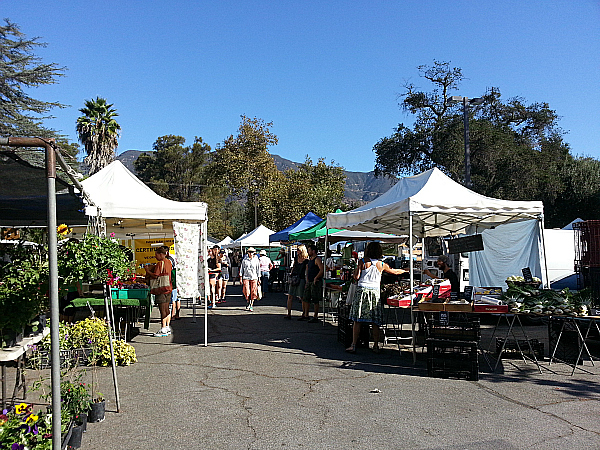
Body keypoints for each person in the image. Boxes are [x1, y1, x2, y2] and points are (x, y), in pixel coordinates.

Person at [346, 242, 406, 354]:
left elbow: (357, 277)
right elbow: (394, 272)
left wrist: (354, 274)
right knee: (375, 321)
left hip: (362, 291)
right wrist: (406, 270)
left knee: (357, 320)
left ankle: (353, 345)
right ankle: (375, 345)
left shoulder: (362, 262)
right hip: (375, 292)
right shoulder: (382, 264)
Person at [145, 246, 173, 337]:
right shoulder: (169, 262)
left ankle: (163, 328)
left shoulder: (160, 263)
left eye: (156, 255)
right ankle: (167, 327)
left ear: (161, 254)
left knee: (162, 309)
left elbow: (155, 275)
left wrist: (147, 271)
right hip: (168, 287)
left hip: (161, 288)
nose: (155, 257)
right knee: (167, 308)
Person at [302, 244, 324, 323]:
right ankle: (306, 314)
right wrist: (307, 279)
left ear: (313, 251)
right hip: (309, 281)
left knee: (315, 299)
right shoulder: (310, 259)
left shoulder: (317, 259)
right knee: (306, 298)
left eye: (310, 250)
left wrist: (316, 278)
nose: (308, 252)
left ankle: (315, 316)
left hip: (315, 282)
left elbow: (322, 270)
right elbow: (308, 270)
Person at [286, 245, 308, 320]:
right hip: (294, 277)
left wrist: (306, 281)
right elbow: (294, 267)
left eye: (298, 250)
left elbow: (306, 271)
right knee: (290, 295)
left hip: (301, 278)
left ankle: (304, 313)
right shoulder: (296, 258)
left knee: (301, 297)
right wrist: (291, 275)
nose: (297, 251)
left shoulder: (306, 260)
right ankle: (288, 313)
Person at [239, 247, 260, 312]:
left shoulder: (256, 260)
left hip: (254, 277)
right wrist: (240, 277)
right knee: (246, 290)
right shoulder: (245, 260)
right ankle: (248, 300)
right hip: (246, 277)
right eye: (249, 252)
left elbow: (258, 270)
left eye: (252, 252)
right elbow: (242, 269)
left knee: (253, 291)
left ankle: (251, 304)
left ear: (254, 253)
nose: (250, 253)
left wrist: (259, 278)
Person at [163, 246, 181, 320]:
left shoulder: (169, 260)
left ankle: (172, 315)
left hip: (172, 280)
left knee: (173, 299)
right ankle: (176, 315)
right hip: (176, 279)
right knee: (177, 299)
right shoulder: (173, 258)